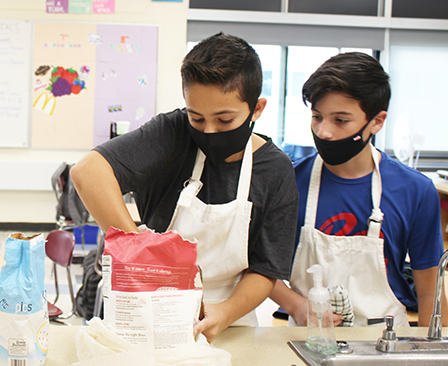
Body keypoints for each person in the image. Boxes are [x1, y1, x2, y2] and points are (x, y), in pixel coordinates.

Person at [71, 33, 299, 342]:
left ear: (256, 109)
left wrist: (225, 312)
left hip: (227, 320)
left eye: (224, 119)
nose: (209, 131)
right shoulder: (173, 134)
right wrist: (139, 253)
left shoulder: (275, 170)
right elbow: (89, 172)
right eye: (197, 117)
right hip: (149, 307)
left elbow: (267, 267)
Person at [270, 52, 447, 328]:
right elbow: (258, 265)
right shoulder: (290, 181)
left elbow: (429, 293)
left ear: (376, 121)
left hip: (386, 341)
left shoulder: (415, 190)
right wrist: (296, 305)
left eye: (340, 120)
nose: (324, 132)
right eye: (317, 117)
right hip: (307, 337)